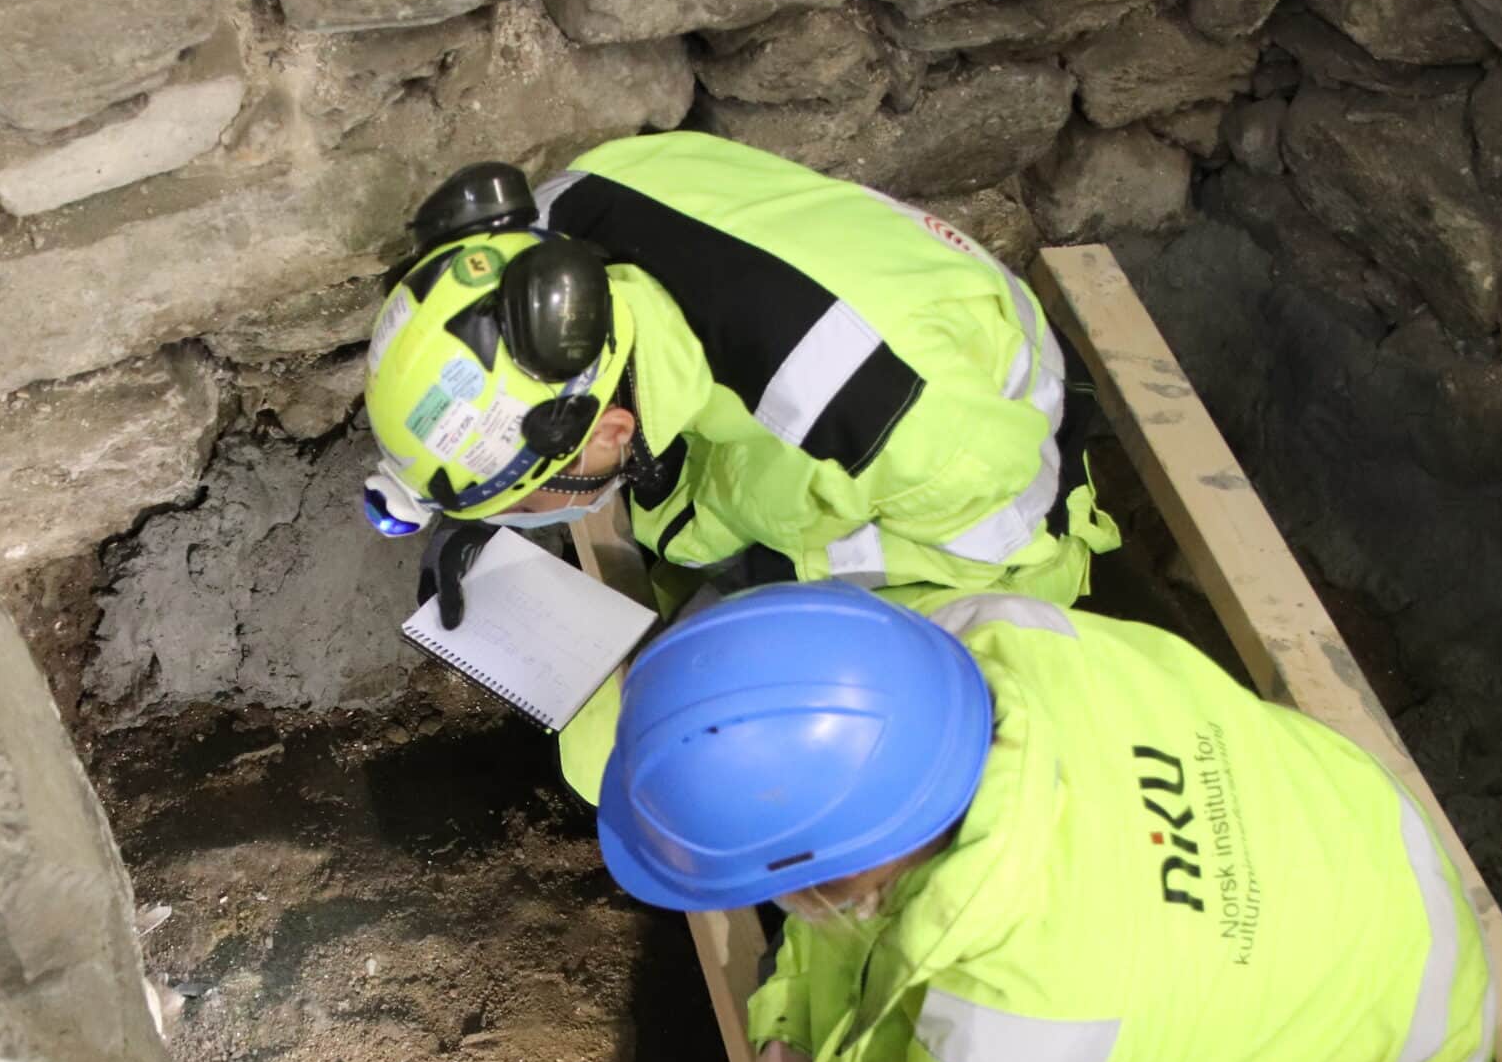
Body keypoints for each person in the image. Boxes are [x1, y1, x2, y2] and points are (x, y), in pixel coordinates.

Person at [594, 581, 1494, 1062]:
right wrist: (791, 1029)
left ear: (833, 877)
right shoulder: (974, 638)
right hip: (1352, 832)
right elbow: (862, 884)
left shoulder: (1033, 1033)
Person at [359, 130, 1119, 799]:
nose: (525, 518)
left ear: (612, 429)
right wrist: (453, 507)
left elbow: (1006, 589)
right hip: (849, 421)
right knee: (604, 742)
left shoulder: (899, 426)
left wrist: (780, 634)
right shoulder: (556, 230)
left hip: (978, 537)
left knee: (665, 758)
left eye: (524, 502)